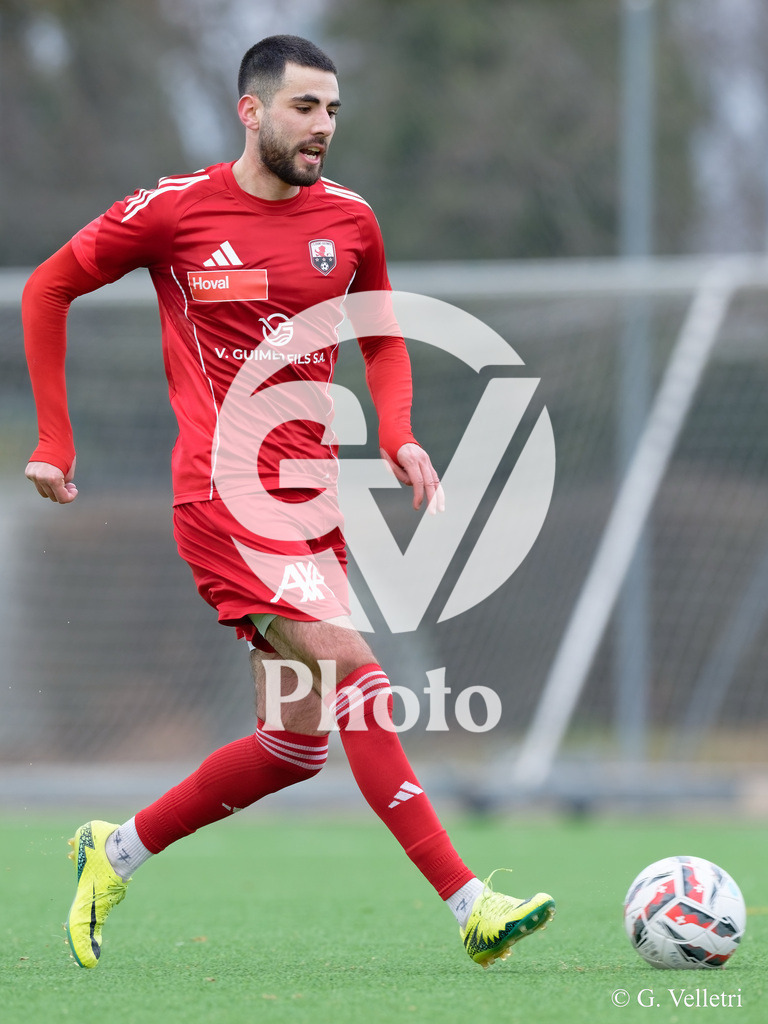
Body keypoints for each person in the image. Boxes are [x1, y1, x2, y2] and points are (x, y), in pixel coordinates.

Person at [23, 34, 554, 971]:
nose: (323, 128)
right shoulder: (177, 213)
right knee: (358, 667)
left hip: (311, 504)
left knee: (293, 747)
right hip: (221, 499)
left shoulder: (350, 220)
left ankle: (112, 854)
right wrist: (55, 441)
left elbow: (385, 341)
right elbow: (49, 287)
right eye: (306, 108)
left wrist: (399, 435)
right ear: (252, 111)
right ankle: (471, 904)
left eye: (334, 111)